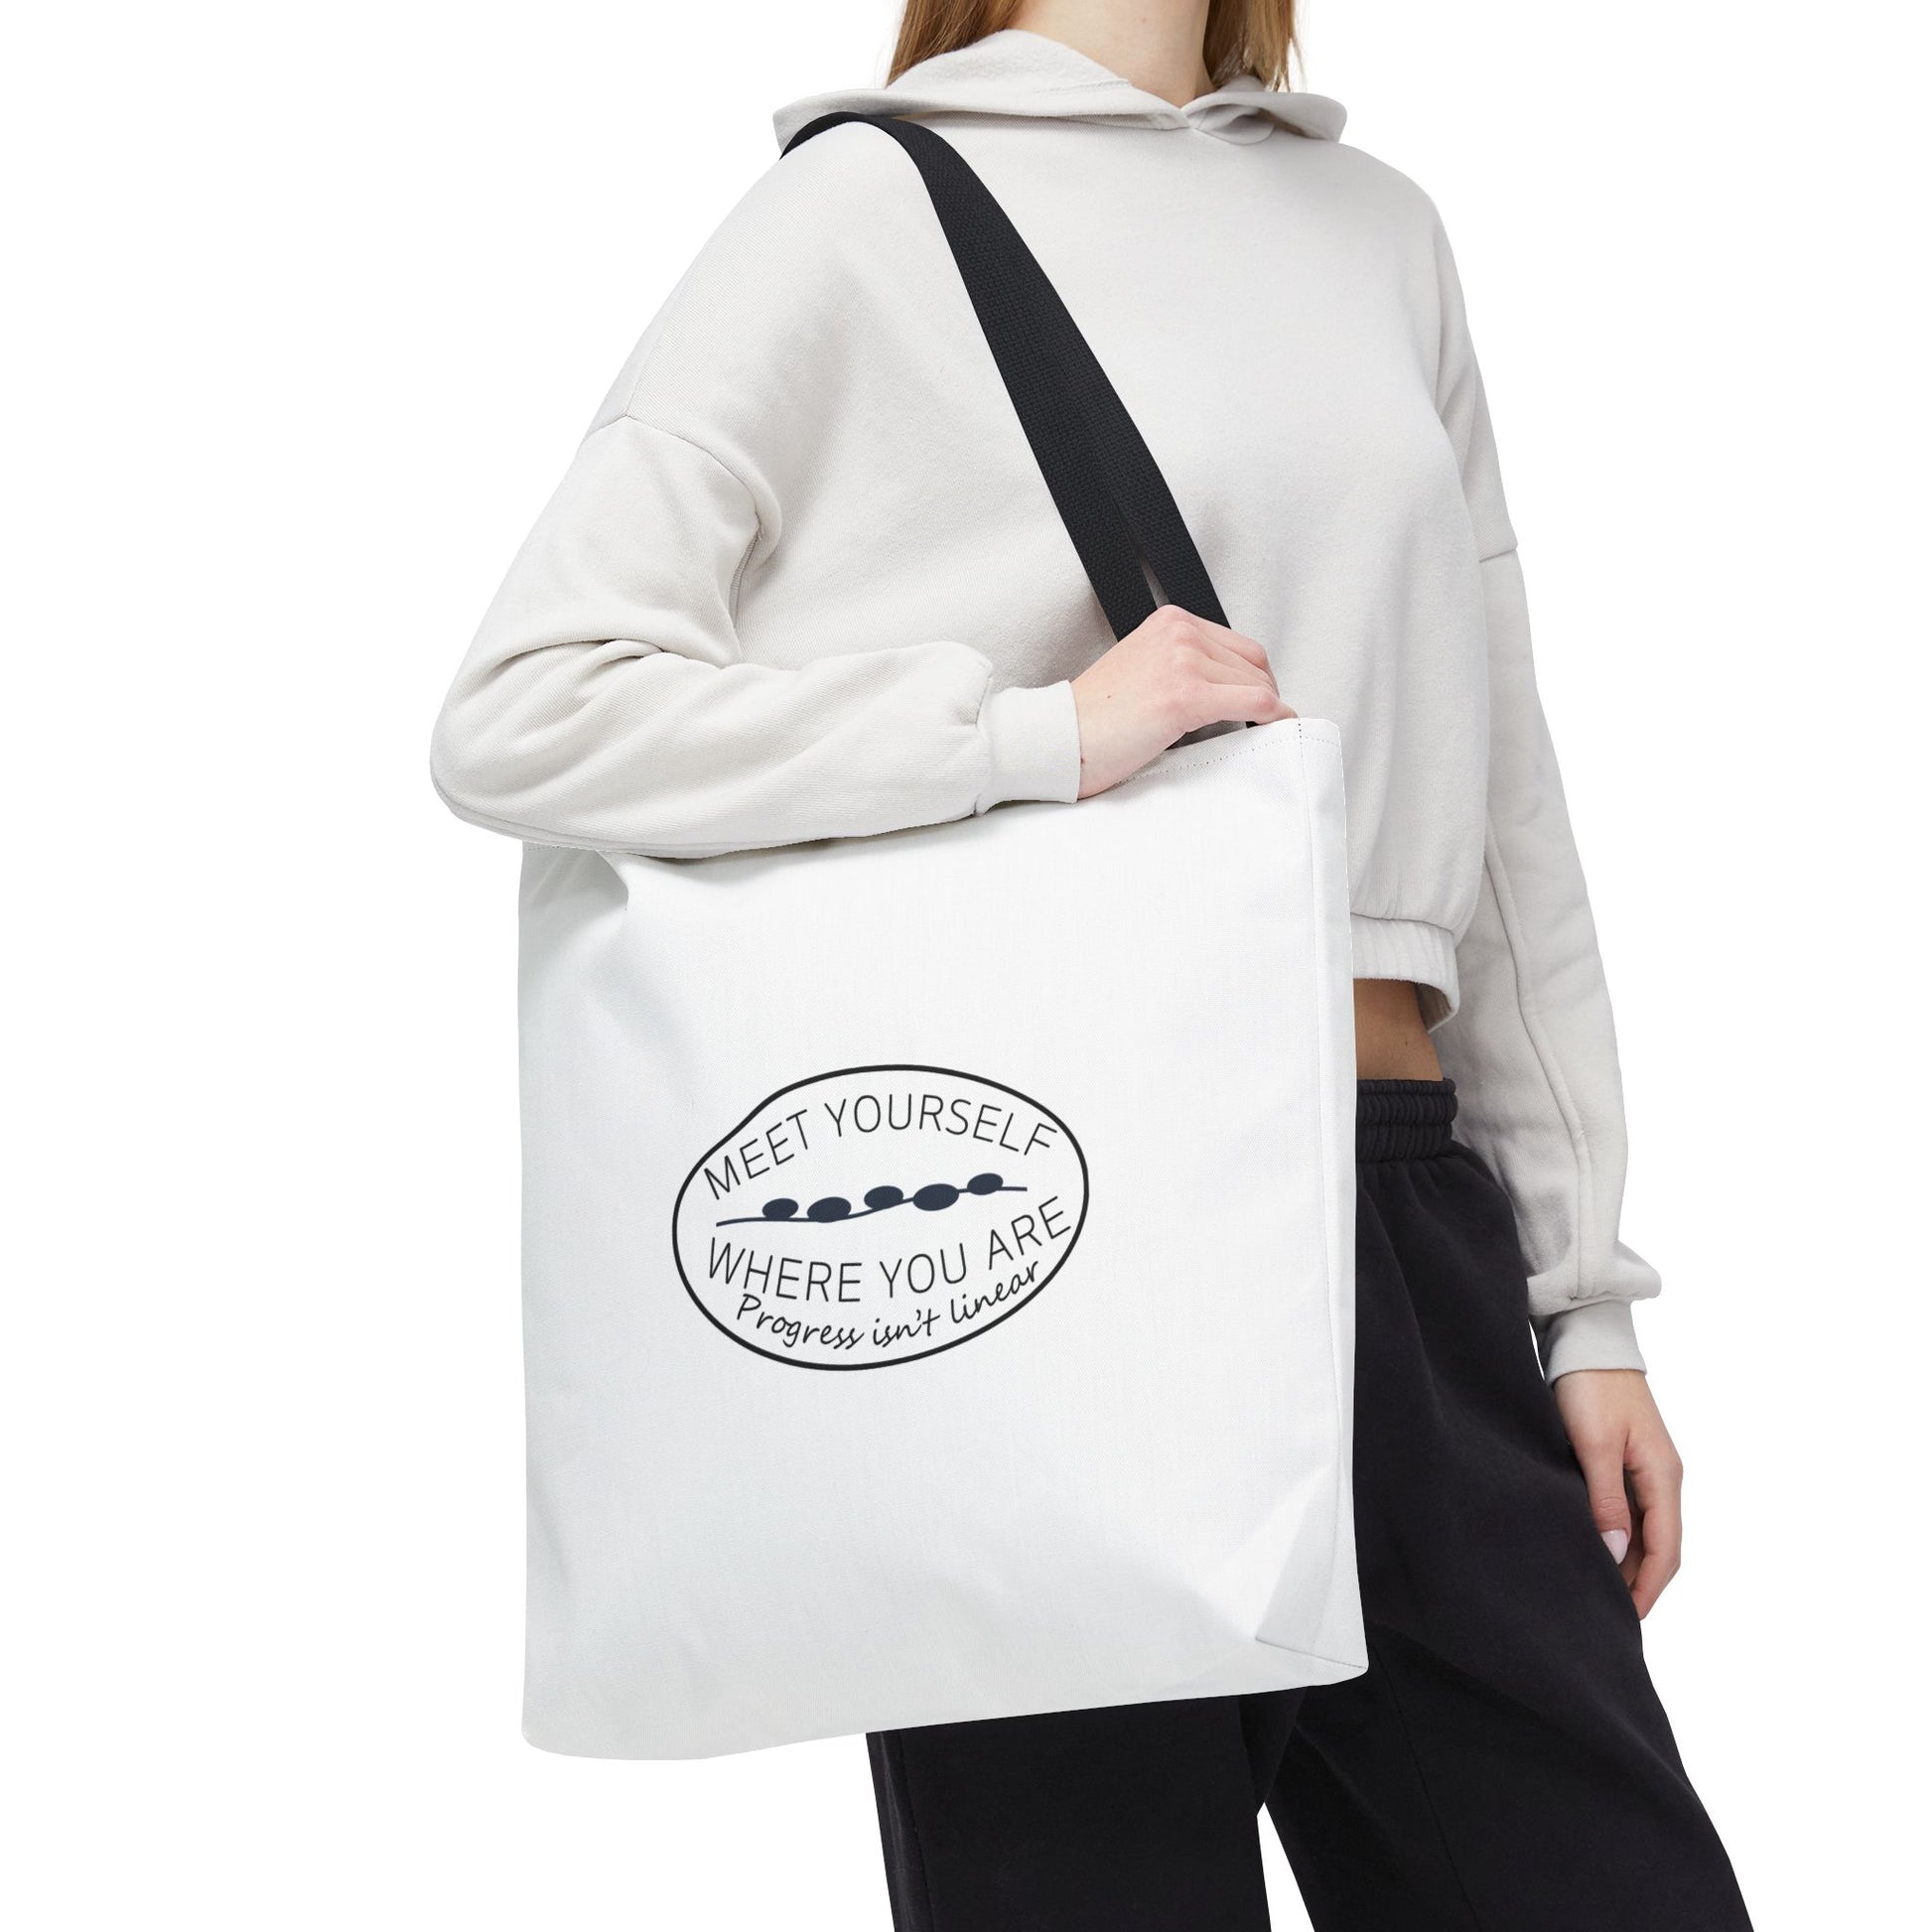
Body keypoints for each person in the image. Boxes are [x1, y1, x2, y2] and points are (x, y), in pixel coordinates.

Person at [433, 2, 1753, 1925]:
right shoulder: (859, 211)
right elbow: (527, 709)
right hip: (1048, 1227)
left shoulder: (1376, 229)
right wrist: (1027, 736)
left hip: (1402, 1208)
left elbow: (1499, 799)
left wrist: (1582, 1297)